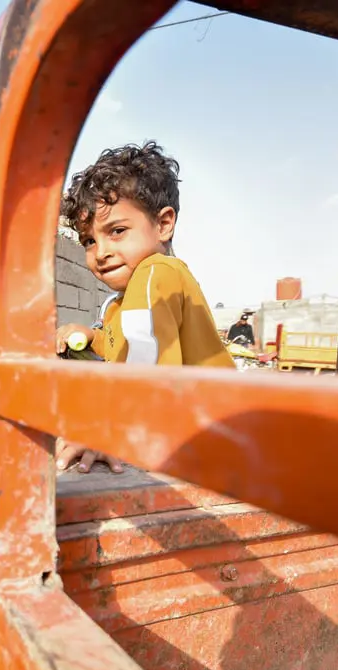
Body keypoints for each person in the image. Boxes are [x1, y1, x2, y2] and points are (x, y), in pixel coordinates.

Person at [54, 142, 234, 472]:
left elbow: (145, 364)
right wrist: (90, 338)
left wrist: (111, 433)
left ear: (164, 224)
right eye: (89, 241)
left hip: (211, 445)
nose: (101, 251)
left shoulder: (155, 273)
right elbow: (124, 347)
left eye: (117, 231)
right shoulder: (121, 304)